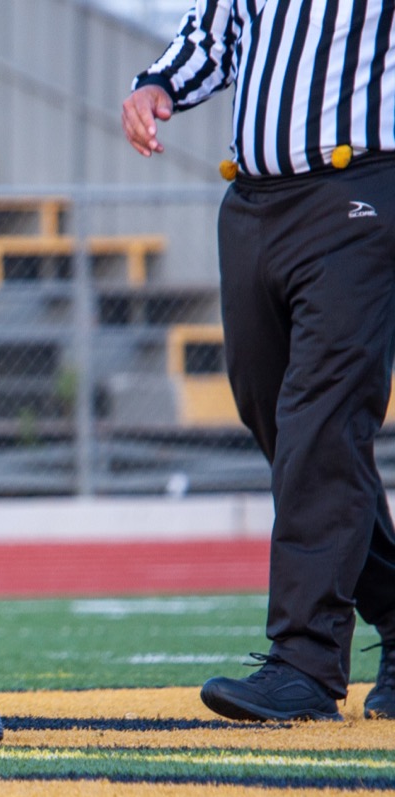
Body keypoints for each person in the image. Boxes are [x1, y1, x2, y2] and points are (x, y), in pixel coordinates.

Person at [124, 2, 395, 724]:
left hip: (356, 191)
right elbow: (217, 31)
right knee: (277, 418)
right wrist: (158, 85)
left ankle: (306, 662)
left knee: (320, 424)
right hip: (252, 203)